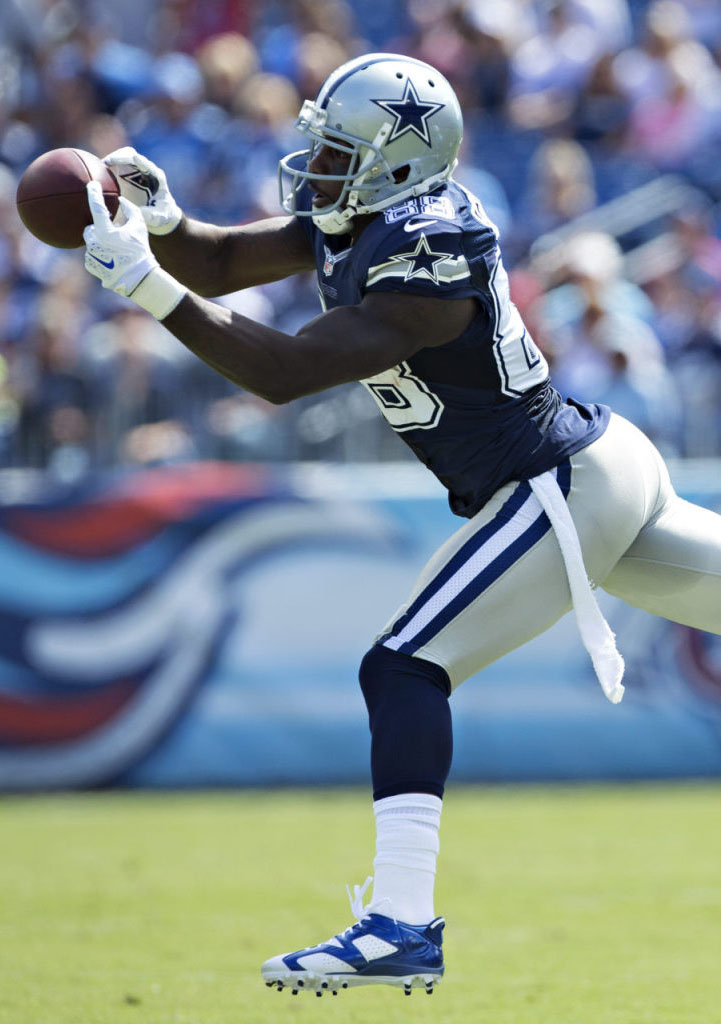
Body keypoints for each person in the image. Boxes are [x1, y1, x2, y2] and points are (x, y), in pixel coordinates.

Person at [81, 53, 721, 997]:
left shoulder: (427, 246)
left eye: (340, 149)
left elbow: (286, 373)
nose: (316, 164)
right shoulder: (366, 219)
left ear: (401, 160)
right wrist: (163, 222)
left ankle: (401, 922)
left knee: (403, 665)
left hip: (557, 480)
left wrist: (147, 288)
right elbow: (220, 260)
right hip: (584, 467)